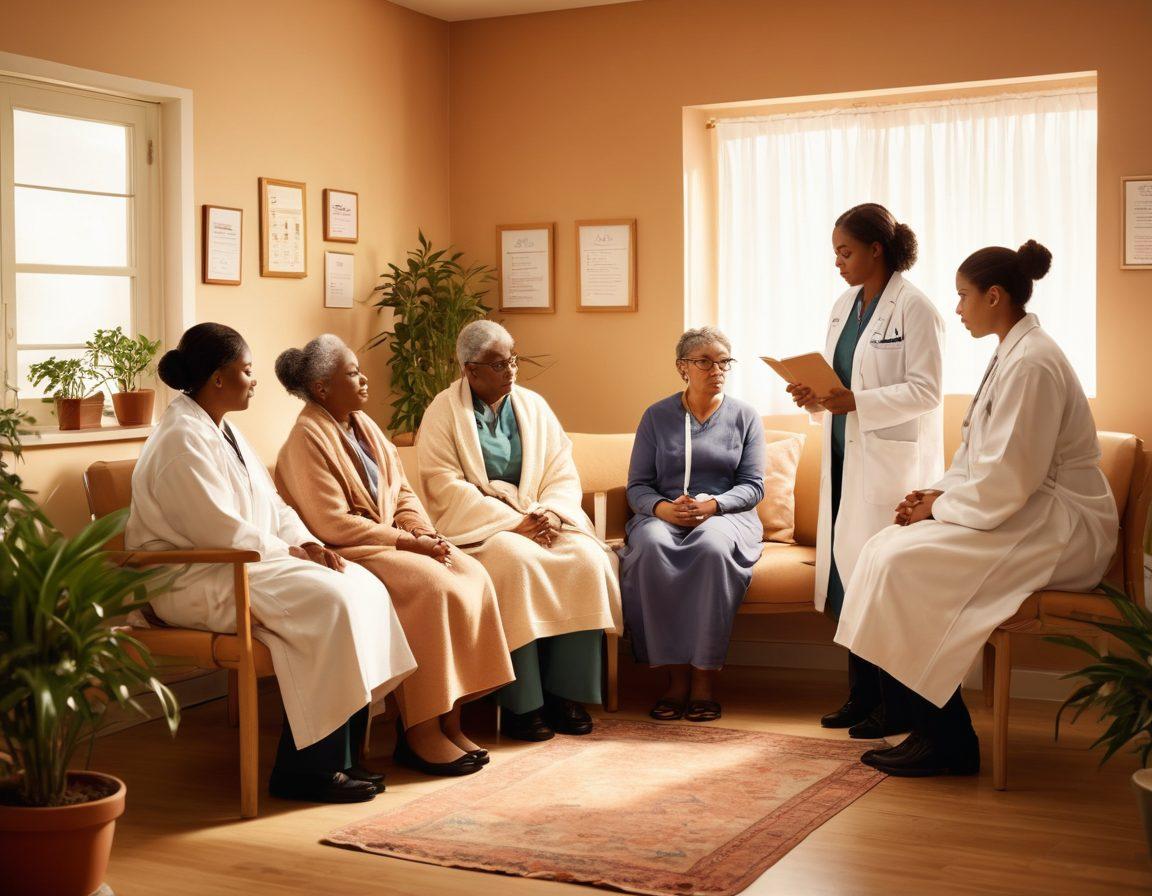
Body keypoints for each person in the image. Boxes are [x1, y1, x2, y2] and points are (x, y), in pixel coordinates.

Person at [837, 240, 1117, 776]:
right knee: (886, 546)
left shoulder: (1033, 362)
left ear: (995, 296)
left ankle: (947, 739)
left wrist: (940, 509)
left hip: (1063, 524)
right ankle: (926, 725)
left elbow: (1011, 475)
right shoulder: (1012, 351)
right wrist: (933, 495)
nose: (959, 309)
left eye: (964, 297)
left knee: (904, 563)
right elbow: (978, 456)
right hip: (1021, 505)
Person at [127, 323, 416, 803]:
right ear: (218, 379)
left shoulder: (225, 430)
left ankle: (343, 756)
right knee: (330, 601)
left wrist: (307, 542)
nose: (254, 380)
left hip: (246, 564)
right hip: (199, 576)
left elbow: (275, 507)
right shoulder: (180, 440)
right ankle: (305, 770)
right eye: (246, 371)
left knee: (363, 584)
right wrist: (291, 552)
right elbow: (216, 528)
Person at [273, 335, 516, 777]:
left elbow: (401, 492)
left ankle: (450, 718)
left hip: (391, 540)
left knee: (471, 573)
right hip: (350, 550)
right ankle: (418, 730)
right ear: (323, 388)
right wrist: (405, 543)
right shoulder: (305, 438)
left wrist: (424, 532)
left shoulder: (363, 425)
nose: (364, 379)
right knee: (431, 587)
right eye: (352, 372)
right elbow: (331, 524)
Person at [417, 320, 622, 742]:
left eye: (513, 359)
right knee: (516, 561)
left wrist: (550, 513)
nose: (511, 370)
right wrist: (513, 522)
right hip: (482, 527)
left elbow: (561, 470)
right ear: (470, 370)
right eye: (498, 364)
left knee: (585, 559)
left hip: (540, 517)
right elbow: (443, 484)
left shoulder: (533, 406)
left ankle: (565, 695)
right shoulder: (442, 412)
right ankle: (521, 703)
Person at [786, 203, 944, 739]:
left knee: (879, 582)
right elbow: (838, 383)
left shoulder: (915, 307)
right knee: (846, 580)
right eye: (835, 252)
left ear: (877, 250)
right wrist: (814, 396)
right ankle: (860, 697)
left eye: (845, 251)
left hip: (887, 465)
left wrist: (859, 402)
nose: (838, 261)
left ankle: (892, 707)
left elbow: (926, 391)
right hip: (841, 452)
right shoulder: (843, 305)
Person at [620, 327, 765, 722]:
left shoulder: (745, 417)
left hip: (725, 516)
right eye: (704, 361)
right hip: (666, 514)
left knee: (710, 548)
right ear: (682, 368)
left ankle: (703, 681)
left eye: (723, 362)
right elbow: (638, 486)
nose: (716, 369)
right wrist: (661, 509)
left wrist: (715, 506)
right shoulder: (657, 416)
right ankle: (674, 681)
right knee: (650, 547)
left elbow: (753, 487)